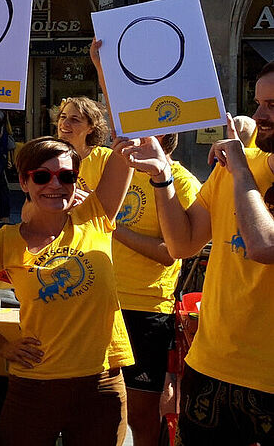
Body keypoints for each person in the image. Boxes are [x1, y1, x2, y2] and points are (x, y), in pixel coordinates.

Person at [0, 133, 138, 446]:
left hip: (102, 383)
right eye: (42, 176)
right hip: (34, 385)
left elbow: (127, 143)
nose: (55, 185)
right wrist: (2, 346)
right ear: (24, 181)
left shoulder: (95, 217)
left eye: (67, 176)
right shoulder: (6, 241)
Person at [126, 96, 274, 444]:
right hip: (209, 367)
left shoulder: (239, 165)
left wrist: (240, 169)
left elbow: (264, 246)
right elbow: (183, 244)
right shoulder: (240, 164)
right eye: (258, 103)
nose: (258, 116)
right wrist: (162, 178)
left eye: (272, 105)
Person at [108, 134, 199, 446]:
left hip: (146, 310)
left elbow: (170, 252)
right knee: (101, 405)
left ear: (161, 136)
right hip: (102, 303)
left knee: (140, 414)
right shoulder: (118, 169)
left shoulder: (183, 182)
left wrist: (114, 228)